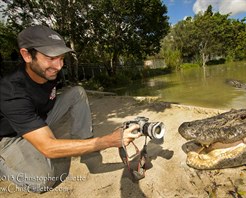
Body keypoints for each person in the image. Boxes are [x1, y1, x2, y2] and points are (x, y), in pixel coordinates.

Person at [0, 25, 141, 193]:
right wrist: (109, 140)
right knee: (44, 180)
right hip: (10, 137)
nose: (59, 66)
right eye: (51, 57)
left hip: (38, 119)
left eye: (61, 58)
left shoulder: (50, 72)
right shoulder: (11, 91)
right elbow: (48, 147)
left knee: (77, 92)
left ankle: (86, 148)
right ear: (26, 55)